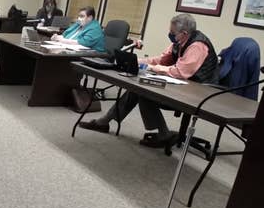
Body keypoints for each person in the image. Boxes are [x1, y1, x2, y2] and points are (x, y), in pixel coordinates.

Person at [79, 13, 219, 147]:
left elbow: (180, 72)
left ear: (184, 33)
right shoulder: (179, 41)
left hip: (199, 91)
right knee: (138, 88)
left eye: (173, 32)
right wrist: (139, 61)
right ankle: (104, 122)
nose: (170, 34)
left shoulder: (197, 46)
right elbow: (162, 59)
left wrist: (154, 68)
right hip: (183, 84)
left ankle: (163, 134)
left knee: (146, 92)